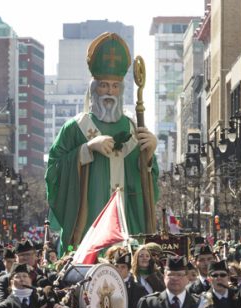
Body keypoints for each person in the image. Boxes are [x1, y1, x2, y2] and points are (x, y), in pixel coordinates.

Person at [46, 32, 158, 253]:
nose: (109, 91)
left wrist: (149, 154)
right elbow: (54, 169)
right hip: (89, 222)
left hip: (128, 219)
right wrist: (85, 150)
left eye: (115, 86)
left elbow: (147, 180)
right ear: (93, 88)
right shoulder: (76, 128)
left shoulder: (133, 129)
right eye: (104, 85)